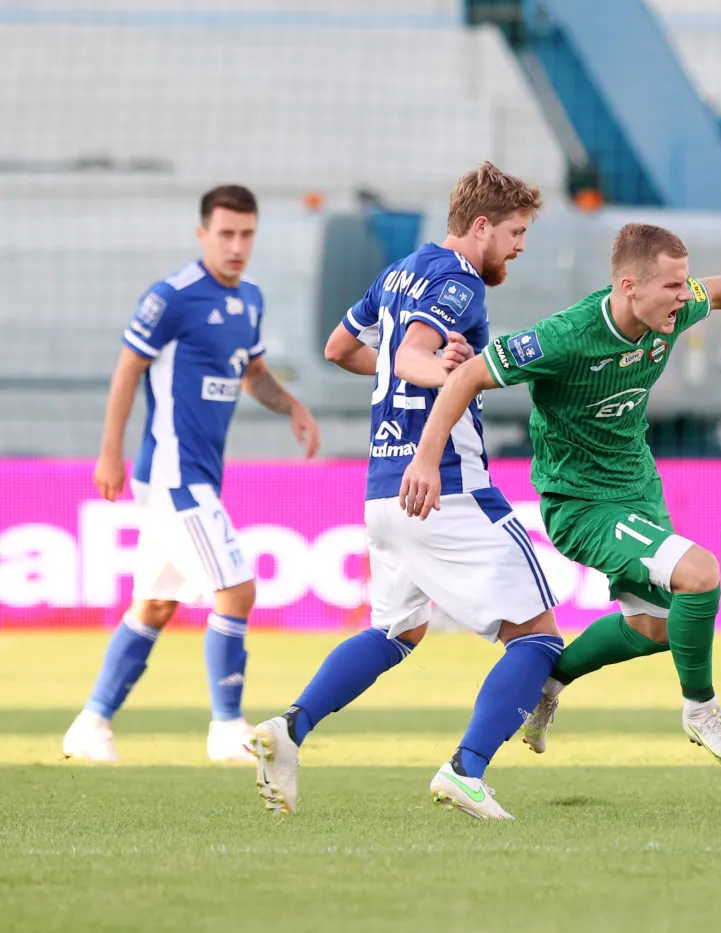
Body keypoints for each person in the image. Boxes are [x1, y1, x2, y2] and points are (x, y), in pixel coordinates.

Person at [399, 223, 721, 768]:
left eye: (685, 285)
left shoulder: (674, 309)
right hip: (581, 503)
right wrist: (426, 459)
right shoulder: (565, 336)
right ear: (629, 285)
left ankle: (549, 683)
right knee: (700, 574)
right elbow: (468, 374)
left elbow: (720, 289)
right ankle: (701, 709)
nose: (685, 297)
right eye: (672, 286)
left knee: (654, 628)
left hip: (637, 487)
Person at [248, 163, 560, 820]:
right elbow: (415, 351)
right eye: (515, 232)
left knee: (397, 629)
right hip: (443, 483)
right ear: (481, 226)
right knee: (537, 637)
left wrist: (404, 368)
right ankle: (466, 769)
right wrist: (436, 370)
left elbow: (340, 346)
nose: (519, 246)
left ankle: (289, 729)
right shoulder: (458, 281)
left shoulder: (401, 270)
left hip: (384, 490)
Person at [63, 185, 320, 763]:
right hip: (174, 475)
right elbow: (128, 371)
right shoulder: (171, 297)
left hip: (197, 476)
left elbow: (253, 373)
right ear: (202, 234)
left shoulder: (250, 298)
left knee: (154, 605)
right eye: (225, 234)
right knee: (237, 589)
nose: (236, 246)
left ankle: (91, 724)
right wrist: (110, 451)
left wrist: (293, 407)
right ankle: (227, 727)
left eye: (246, 234)